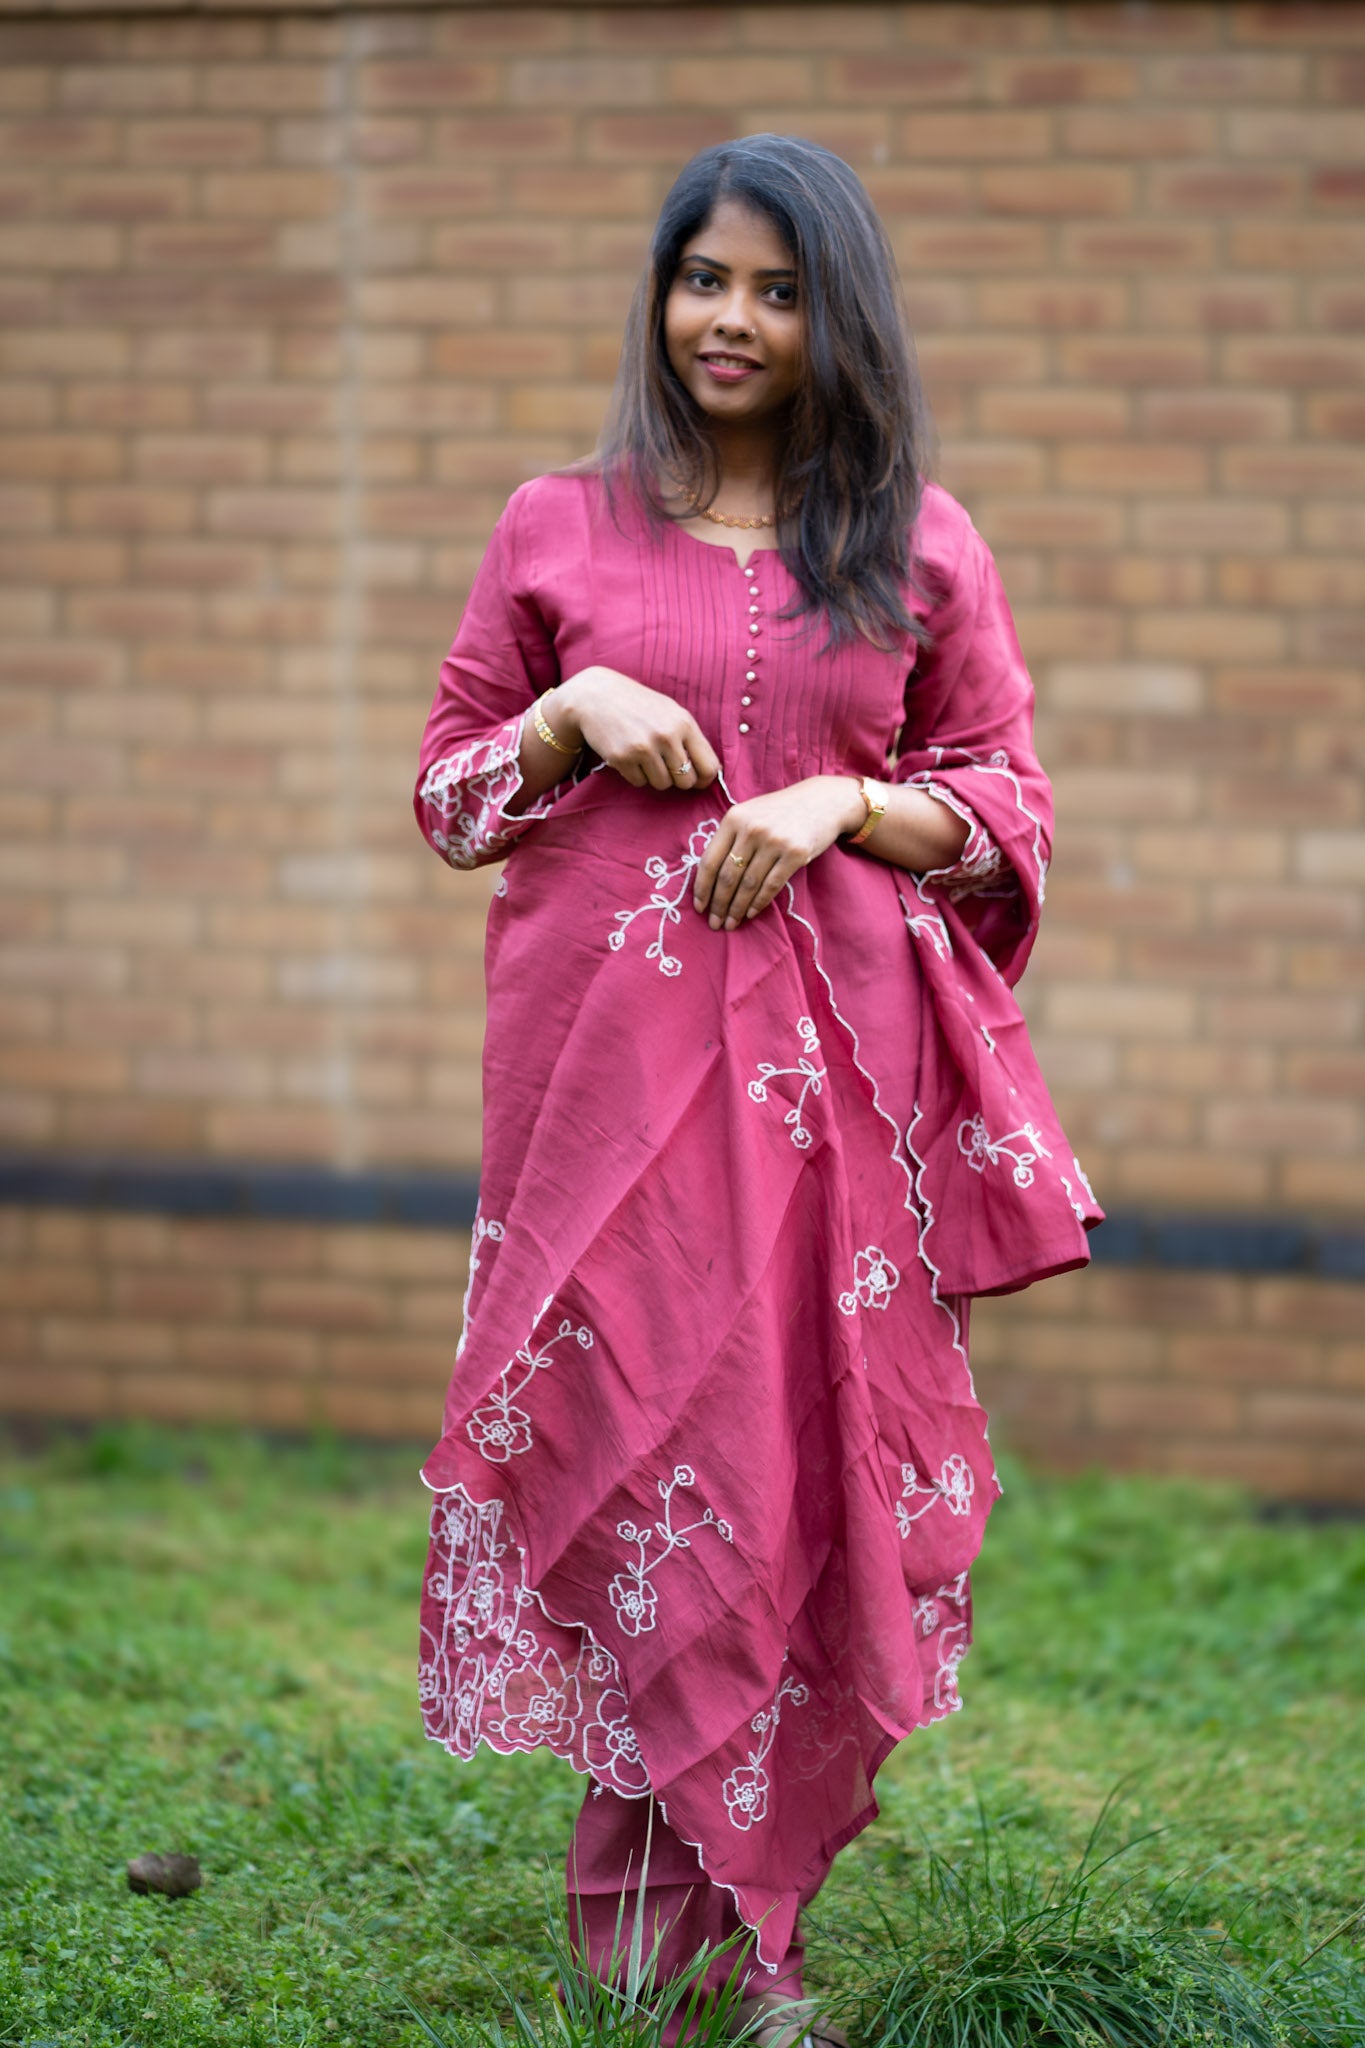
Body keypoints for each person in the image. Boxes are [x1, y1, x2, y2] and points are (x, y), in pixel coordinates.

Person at [412, 134, 1103, 2046]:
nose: (731, 317)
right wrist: (559, 715)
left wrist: (832, 799)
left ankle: (752, 1939)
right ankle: (648, 1942)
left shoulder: (917, 545)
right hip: (602, 1126)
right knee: (644, 1465)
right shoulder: (555, 524)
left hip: (828, 1126)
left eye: (779, 289)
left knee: (786, 1489)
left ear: (836, 317)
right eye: (704, 277)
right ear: (658, 295)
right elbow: (449, 799)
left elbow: (1006, 808)